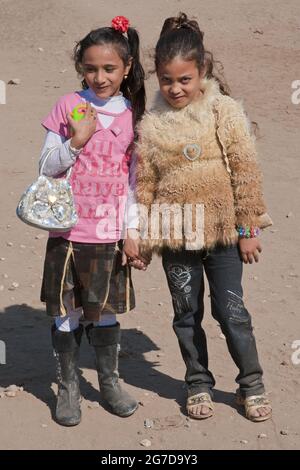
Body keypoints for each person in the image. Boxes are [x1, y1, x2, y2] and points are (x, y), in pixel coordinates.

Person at [135, 12, 273, 422]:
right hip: (175, 234)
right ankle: (197, 382)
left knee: (231, 311)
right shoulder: (152, 120)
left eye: (184, 79)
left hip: (223, 232)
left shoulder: (223, 110)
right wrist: (141, 236)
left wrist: (248, 228)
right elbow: (145, 183)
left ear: (202, 71)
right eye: (166, 80)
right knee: (185, 313)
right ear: (157, 77)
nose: (175, 88)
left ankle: (251, 384)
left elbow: (245, 169)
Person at [39, 16, 147, 426]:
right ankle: (67, 387)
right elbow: (45, 166)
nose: (99, 77)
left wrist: (130, 231)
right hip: (66, 232)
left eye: (109, 69)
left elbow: (133, 182)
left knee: (103, 311)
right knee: (65, 311)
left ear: (127, 67)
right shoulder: (70, 105)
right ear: (80, 68)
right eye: (90, 68)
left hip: (108, 237)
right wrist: (75, 141)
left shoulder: (132, 115)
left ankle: (109, 381)